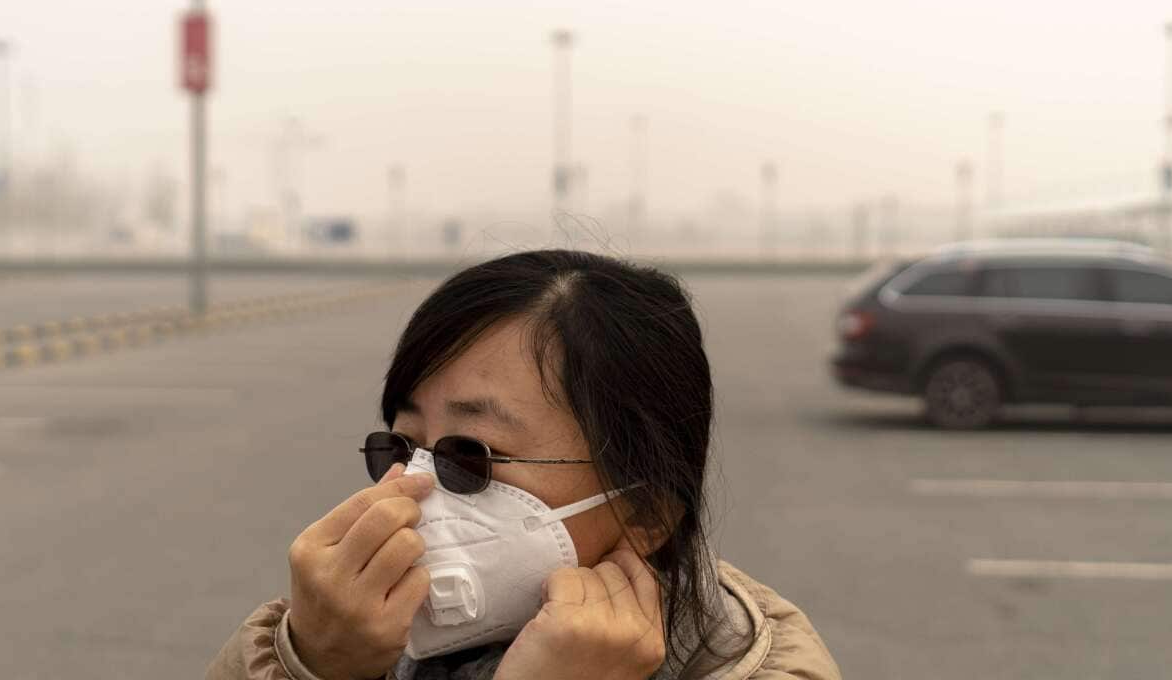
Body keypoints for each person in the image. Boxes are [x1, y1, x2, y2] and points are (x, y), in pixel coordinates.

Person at [207, 250, 840, 680]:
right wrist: (308, 659)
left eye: (468, 456)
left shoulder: (757, 665)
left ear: (645, 510)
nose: (408, 495)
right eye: (400, 447)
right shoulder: (350, 625)